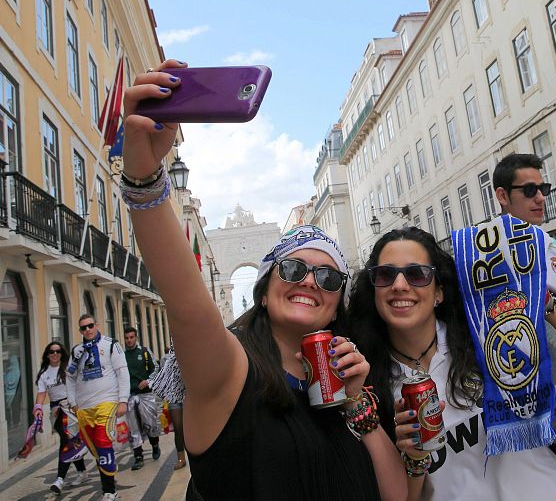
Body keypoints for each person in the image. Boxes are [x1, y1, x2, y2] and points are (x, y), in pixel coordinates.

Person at [121, 59, 406, 501]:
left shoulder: (354, 383)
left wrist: (357, 404)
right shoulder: (229, 369)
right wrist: (144, 177)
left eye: (328, 277)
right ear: (265, 288)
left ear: (338, 301)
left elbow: (396, 496)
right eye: (292, 269)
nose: (309, 282)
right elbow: (187, 304)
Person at [350, 227, 556, 501]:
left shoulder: (486, 338)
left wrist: (538, 295)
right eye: (385, 275)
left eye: (417, 274)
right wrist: (414, 458)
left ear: (439, 292)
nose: (399, 285)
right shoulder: (368, 385)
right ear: (374, 290)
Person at [493, 153, 556, 307]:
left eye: (543, 189)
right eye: (529, 190)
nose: (541, 198)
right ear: (503, 196)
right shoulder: (480, 257)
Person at [66, 315, 130, 501]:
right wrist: (72, 402)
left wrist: (123, 400)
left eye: (90, 326)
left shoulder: (111, 345)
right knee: (95, 447)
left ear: (96, 325)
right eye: (83, 328)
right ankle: (107, 475)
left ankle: (109, 490)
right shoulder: (77, 351)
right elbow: (70, 377)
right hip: (84, 408)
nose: (87, 330)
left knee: (103, 443)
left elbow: (122, 373)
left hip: (107, 402)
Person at [33, 342, 89, 494]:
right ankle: (82, 472)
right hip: (56, 412)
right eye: (52, 351)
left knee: (67, 441)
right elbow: (41, 393)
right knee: (72, 441)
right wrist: (38, 407)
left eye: (58, 351)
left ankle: (60, 479)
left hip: (71, 407)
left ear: (61, 353)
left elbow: (81, 384)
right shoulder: (44, 373)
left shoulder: (68, 368)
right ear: (47, 354)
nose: (55, 354)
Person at [123, 327, 161, 470]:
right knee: (133, 427)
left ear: (136, 337)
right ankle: (138, 456)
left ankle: (155, 444)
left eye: (131, 337)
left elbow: (155, 368)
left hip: (145, 394)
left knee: (150, 422)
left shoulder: (144, 352)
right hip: (130, 395)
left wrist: (148, 380)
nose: (129, 340)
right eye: (127, 338)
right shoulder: (122, 356)